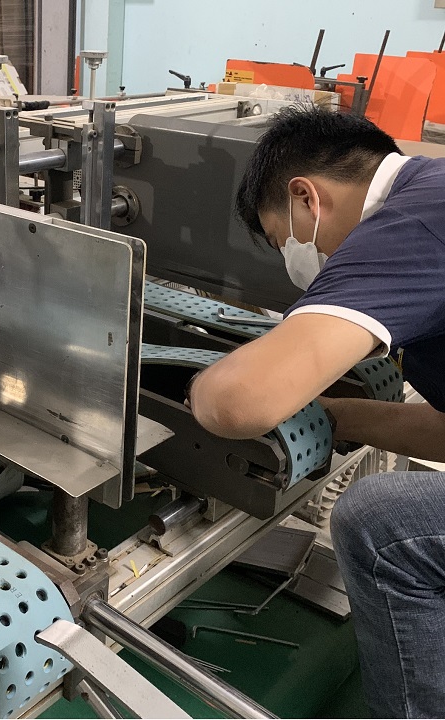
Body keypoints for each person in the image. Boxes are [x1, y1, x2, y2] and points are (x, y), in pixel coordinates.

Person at [185, 107, 445, 717]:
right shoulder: (432, 188)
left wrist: (196, 386)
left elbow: (238, 401)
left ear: (306, 197)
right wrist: (335, 415)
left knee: (381, 524)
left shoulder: (412, 227)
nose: (298, 259)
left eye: (284, 241)